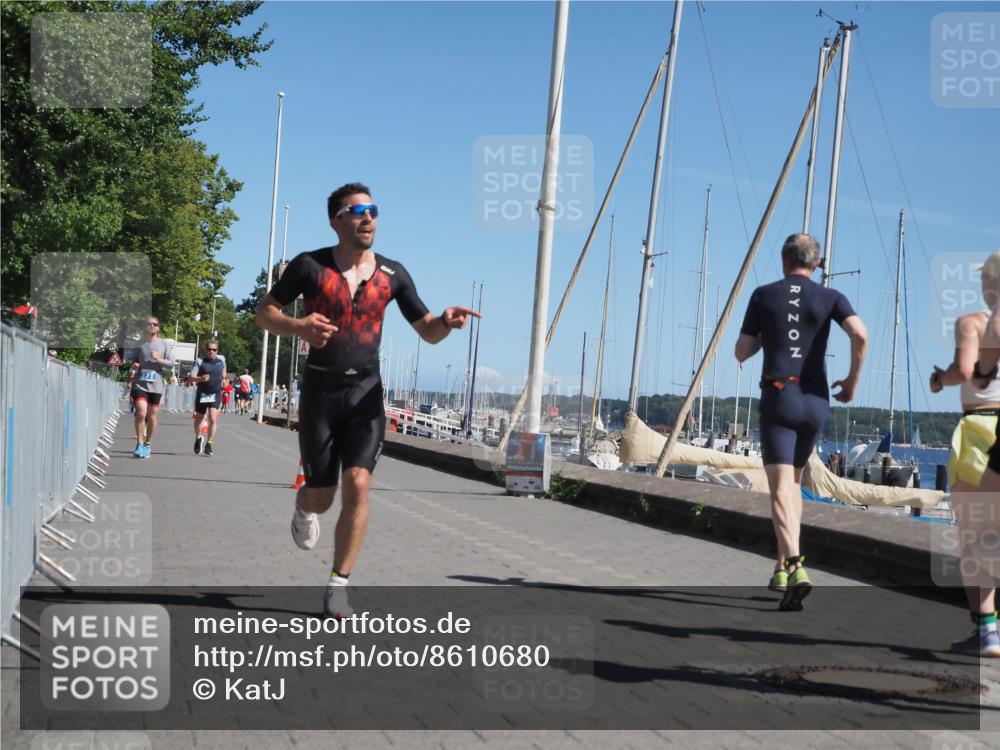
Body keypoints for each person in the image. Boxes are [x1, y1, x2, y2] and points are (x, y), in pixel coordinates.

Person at [255, 182, 479, 617]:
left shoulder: (393, 274)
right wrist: (299, 327)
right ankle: (303, 506)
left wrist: (445, 321)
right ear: (336, 220)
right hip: (320, 391)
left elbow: (428, 331)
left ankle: (338, 582)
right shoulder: (309, 265)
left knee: (358, 484)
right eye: (358, 211)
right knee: (322, 496)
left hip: (366, 393)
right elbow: (265, 313)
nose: (368, 217)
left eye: (373, 210)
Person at [735, 233, 868, 611]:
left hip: (780, 397)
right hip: (815, 401)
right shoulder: (831, 297)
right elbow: (860, 334)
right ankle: (780, 567)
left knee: (779, 488)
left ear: (784, 259)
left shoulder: (763, 295)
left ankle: (796, 566)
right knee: (793, 483)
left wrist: (770, 330)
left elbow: (742, 351)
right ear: (816, 263)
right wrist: (852, 382)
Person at [938, 249, 1000, 657]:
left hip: (980, 430)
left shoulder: (972, 323)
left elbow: (964, 372)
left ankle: (987, 629)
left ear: (990, 283)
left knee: (974, 535)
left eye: (984, 279)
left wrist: (937, 379)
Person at [126, 317, 173, 459]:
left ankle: (147, 442)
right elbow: (133, 360)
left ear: (158, 328)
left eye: (154, 324)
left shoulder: (164, 344)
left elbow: (171, 364)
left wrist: (160, 359)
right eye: (148, 324)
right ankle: (139, 444)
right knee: (141, 412)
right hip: (140, 382)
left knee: (152, 416)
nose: (151, 326)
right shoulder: (139, 344)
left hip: (156, 384)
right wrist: (134, 365)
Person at [186, 340, 227, 456]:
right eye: (209, 349)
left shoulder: (221, 359)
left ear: (217, 350)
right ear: (206, 350)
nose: (211, 352)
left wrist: (224, 378)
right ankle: (198, 438)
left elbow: (224, 368)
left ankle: (209, 444)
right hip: (202, 393)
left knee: (213, 418)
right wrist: (200, 379)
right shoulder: (200, 361)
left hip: (215, 393)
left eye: (214, 350)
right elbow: (191, 377)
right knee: (199, 418)